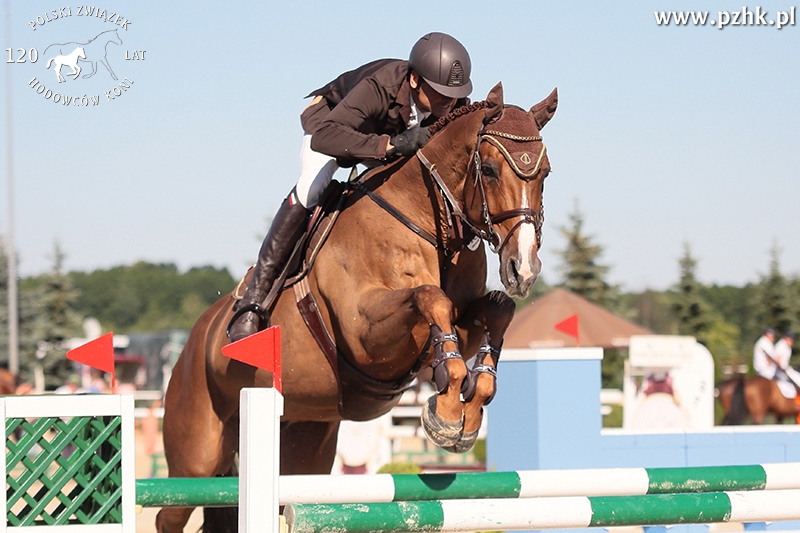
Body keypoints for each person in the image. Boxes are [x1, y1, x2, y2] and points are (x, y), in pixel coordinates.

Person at [228, 32, 473, 342]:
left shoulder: (453, 103)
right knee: (310, 188)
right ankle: (253, 300)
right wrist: (391, 145)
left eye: (453, 93)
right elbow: (326, 138)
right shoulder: (380, 86)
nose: (447, 101)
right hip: (331, 125)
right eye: (438, 92)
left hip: (387, 143)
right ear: (414, 79)